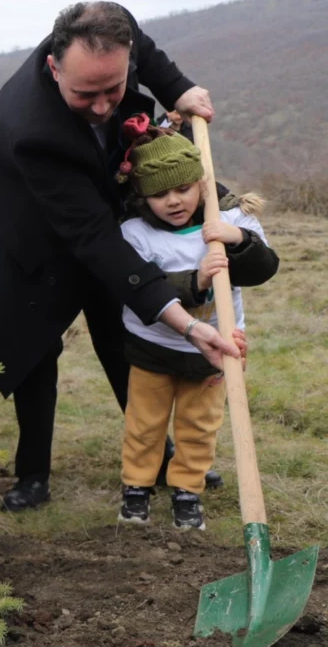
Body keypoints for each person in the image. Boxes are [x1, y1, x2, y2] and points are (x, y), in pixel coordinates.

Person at [0, 2, 242, 512]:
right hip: (24, 230)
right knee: (34, 348)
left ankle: (157, 456)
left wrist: (177, 89)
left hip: (95, 202)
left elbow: (147, 54)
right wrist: (186, 325)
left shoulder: (116, 28)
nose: (102, 106)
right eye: (85, 94)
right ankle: (32, 474)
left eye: (113, 89)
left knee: (121, 333)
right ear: (54, 67)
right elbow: (92, 237)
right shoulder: (32, 130)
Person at [116, 122, 277, 530]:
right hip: (152, 347)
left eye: (183, 189)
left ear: (201, 184)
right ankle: (136, 488)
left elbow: (264, 269)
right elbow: (141, 289)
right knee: (145, 423)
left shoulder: (230, 219)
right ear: (143, 196)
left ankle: (187, 491)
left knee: (199, 426)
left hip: (215, 349)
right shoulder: (134, 233)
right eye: (160, 195)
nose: (174, 201)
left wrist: (237, 238)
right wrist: (197, 280)